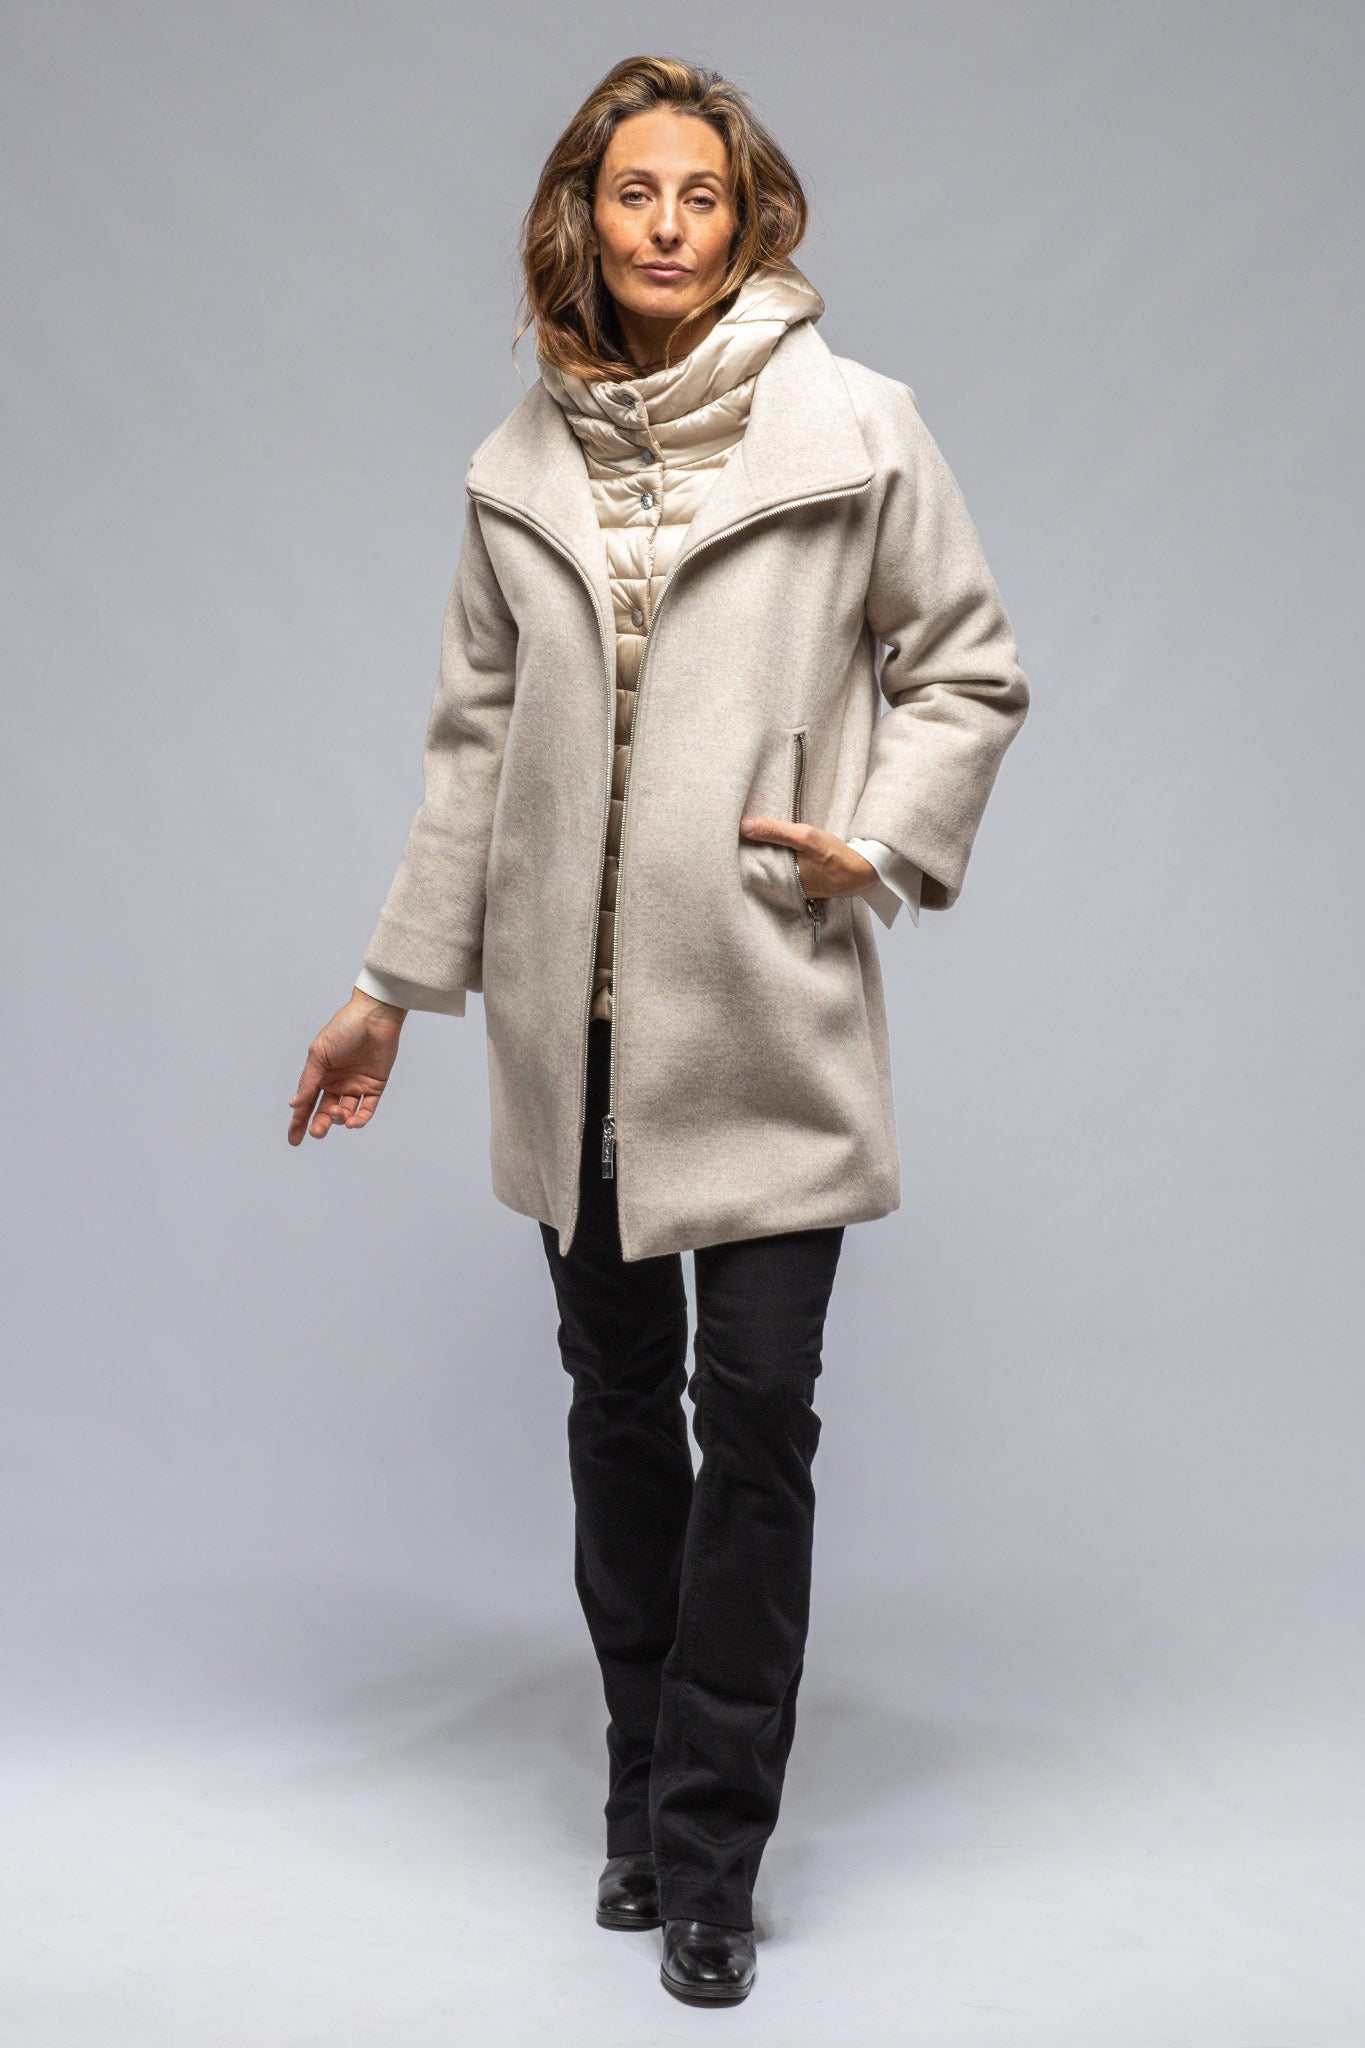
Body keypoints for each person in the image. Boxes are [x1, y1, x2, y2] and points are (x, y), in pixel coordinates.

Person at [287, 54, 1029, 2008]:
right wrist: (386, 990)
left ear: (747, 215)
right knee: (616, 1412)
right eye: (635, 192)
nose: (668, 224)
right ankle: (638, 1785)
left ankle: (712, 1847)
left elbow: (963, 668)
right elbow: (472, 754)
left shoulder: (855, 426)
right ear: (582, 214)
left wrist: (874, 838)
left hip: (765, 1004)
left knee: (755, 1418)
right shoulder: (515, 467)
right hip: (578, 1037)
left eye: (701, 192)